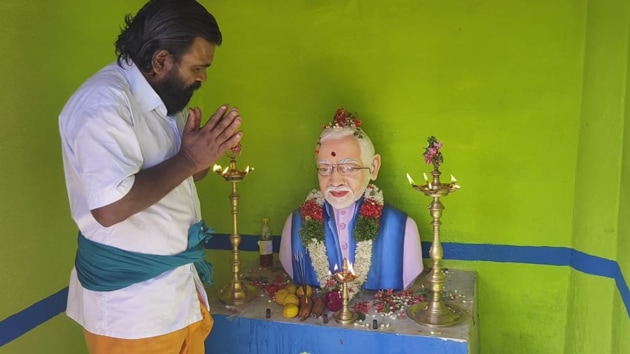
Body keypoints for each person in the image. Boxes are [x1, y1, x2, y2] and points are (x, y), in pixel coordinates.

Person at [58, 1, 242, 353]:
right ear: (161, 60)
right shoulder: (104, 103)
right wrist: (190, 158)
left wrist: (202, 158)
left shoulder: (163, 97)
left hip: (173, 297)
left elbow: (173, 181)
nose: (203, 77)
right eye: (198, 67)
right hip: (133, 313)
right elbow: (109, 207)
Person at [279, 108, 423, 297]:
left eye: (348, 168)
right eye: (324, 169)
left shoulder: (403, 229)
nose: (335, 180)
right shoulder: (295, 226)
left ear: (373, 167)